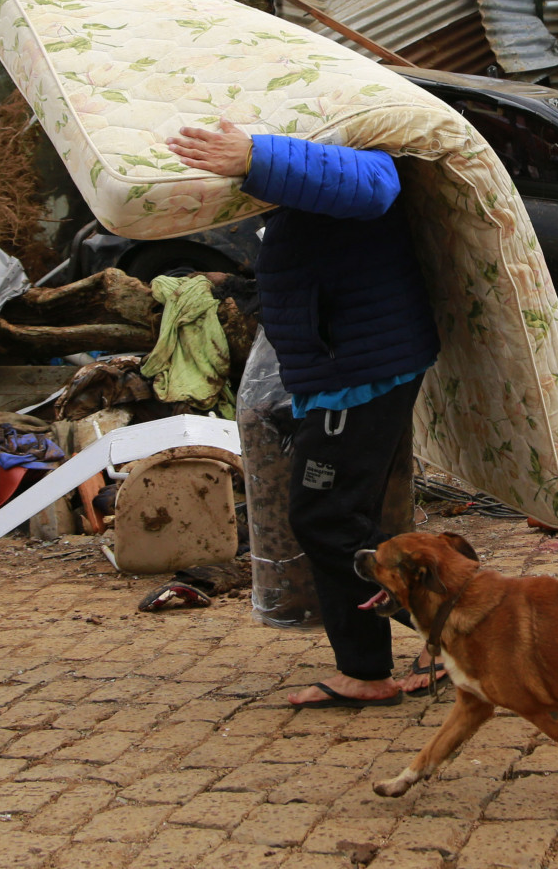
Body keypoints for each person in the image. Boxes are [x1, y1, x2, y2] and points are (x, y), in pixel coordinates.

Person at [168, 118, 439, 707]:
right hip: (351, 366)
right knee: (356, 518)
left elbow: (375, 185)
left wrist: (255, 155)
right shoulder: (308, 177)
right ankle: (389, 661)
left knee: (326, 517)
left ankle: (444, 635)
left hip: (357, 373)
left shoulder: (352, 146)